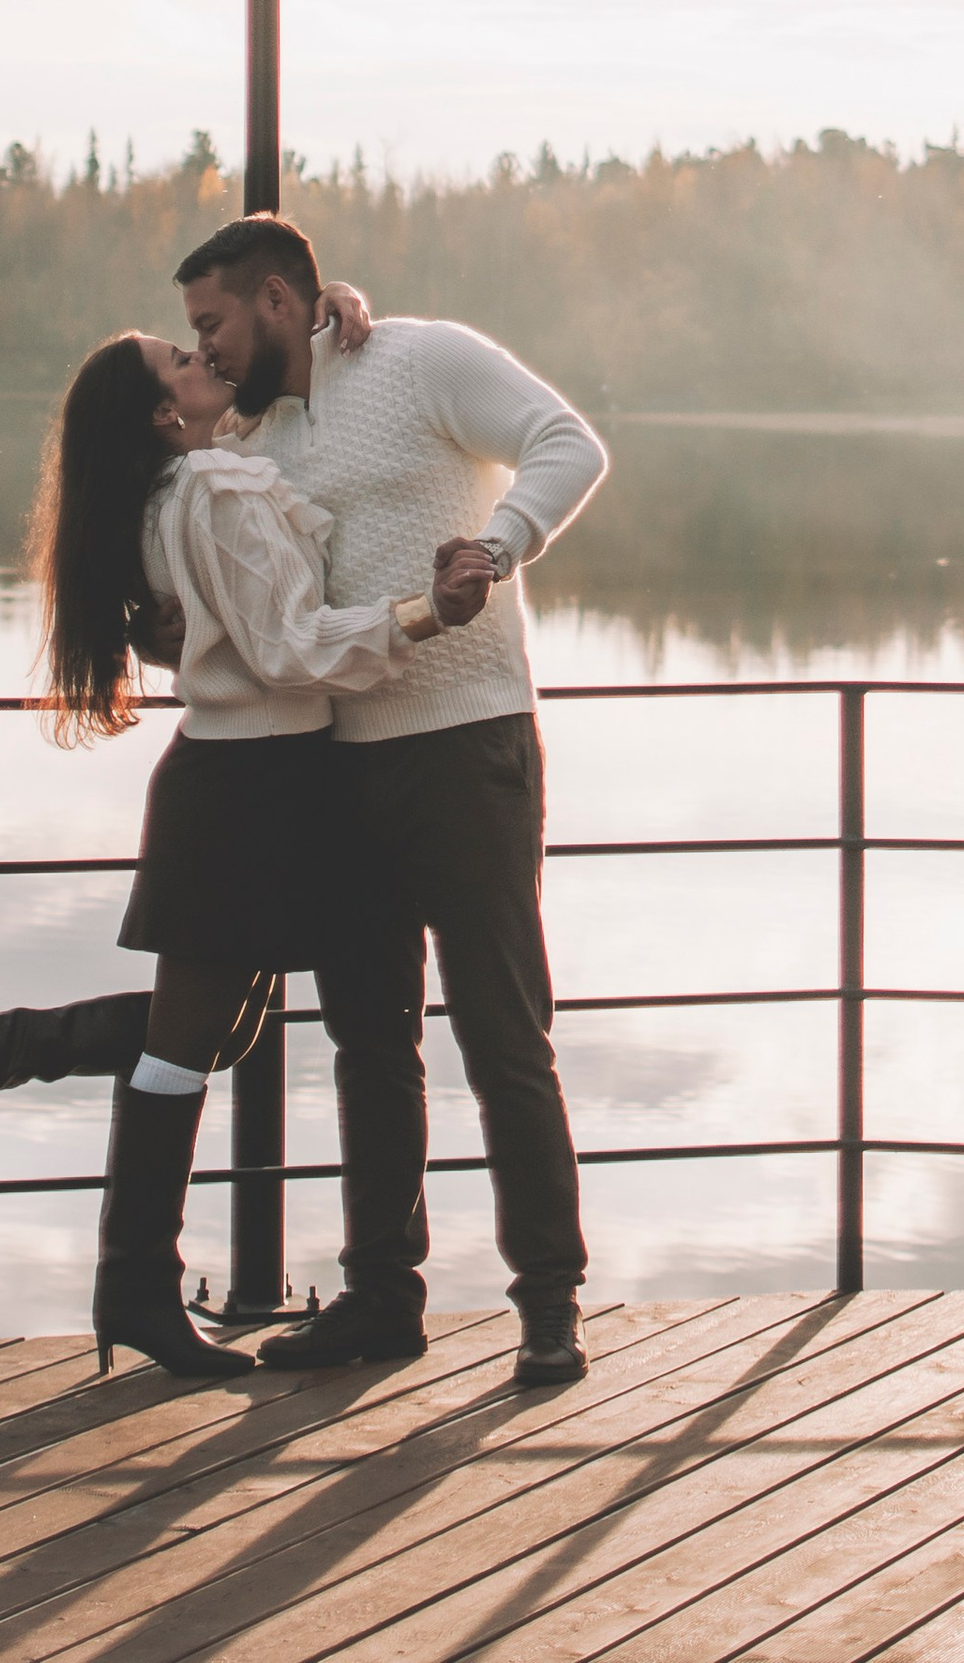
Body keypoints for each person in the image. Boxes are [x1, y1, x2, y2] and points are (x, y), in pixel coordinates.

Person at [0, 293, 483, 1382]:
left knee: (223, 1036)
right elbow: (292, 645)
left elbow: (263, 421)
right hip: (245, 787)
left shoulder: (192, 478)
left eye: (198, 339)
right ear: (164, 415)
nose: (203, 356)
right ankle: (137, 1290)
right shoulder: (209, 485)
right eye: (181, 359)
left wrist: (333, 307)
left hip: (255, 781)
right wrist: (424, 612)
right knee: (180, 1052)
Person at [172, 212, 609, 1391]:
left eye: (213, 322)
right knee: (370, 1043)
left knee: (502, 1035)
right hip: (337, 763)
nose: (202, 349)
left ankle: (547, 1306)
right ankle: (380, 1298)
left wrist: (496, 544)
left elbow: (567, 443)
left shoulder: (421, 357)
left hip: (468, 747)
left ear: (276, 299)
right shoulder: (257, 427)